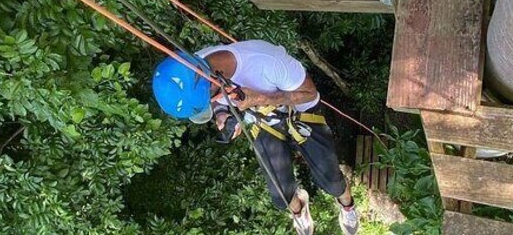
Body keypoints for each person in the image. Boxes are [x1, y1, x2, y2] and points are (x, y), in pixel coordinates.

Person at [152, 40, 360, 235]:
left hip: (300, 111)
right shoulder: (195, 66)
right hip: (263, 119)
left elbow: (309, 93)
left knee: (332, 181)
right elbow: (216, 101)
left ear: (214, 78)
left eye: (210, 98)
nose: (211, 101)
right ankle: (298, 210)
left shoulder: (267, 62)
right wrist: (222, 113)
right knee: (281, 196)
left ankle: (347, 204)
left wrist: (262, 98)